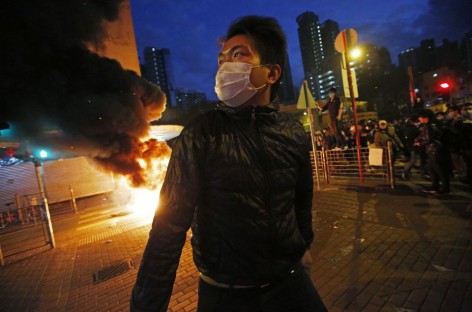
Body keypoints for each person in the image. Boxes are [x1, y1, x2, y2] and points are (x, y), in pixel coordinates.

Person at [130, 15, 327, 312]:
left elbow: (301, 198)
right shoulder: (201, 133)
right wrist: (146, 306)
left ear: (271, 73)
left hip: (289, 284)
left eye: (239, 55)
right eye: (222, 59)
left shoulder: (291, 131)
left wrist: (303, 246)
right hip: (225, 296)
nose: (225, 66)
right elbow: (168, 227)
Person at [415, 109, 450, 194]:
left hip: (434, 149)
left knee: (439, 169)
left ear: (425, 117)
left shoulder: (430, 125)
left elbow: (430, 139)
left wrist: (420, 144)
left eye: (420, 117)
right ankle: (435, 186)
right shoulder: (433, 124)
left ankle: (444, 188)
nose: (419, 119)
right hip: (434, 149)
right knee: (432, 169)